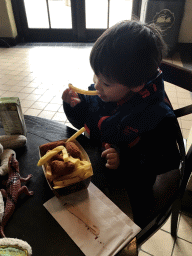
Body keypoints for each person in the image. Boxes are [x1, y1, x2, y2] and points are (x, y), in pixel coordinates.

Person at [62, 20, 181, 227]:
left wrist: (124, 159)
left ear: (136, 85)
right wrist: (75, 107)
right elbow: (84, 121)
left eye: (106, 83)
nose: (97, 86)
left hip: (133, 186)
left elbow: (167, 162)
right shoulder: (106, 93)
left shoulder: (158, 119)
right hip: (99, 169)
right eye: (95, 76)